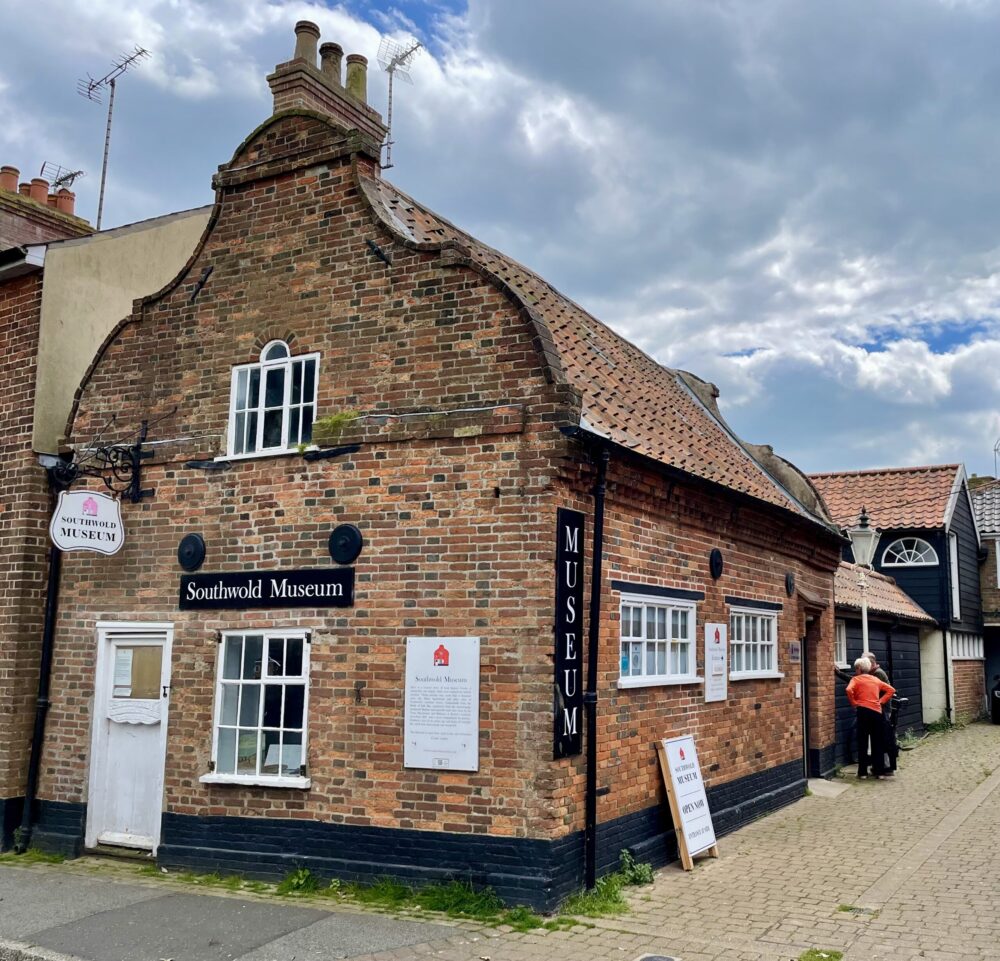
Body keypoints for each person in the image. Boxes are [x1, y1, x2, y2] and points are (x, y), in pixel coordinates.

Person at [845, 656, 896, 779]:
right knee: (877, 742)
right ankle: (879, 772)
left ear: (858, 668)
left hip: (863, 712)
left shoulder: (856, 680)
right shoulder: (875, 679)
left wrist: (854, 703)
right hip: (877, 712)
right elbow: (891, 690)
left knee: (862, 742)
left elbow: (848, 689)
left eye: (855, 668)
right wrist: (881, 701)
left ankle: (863, 773)